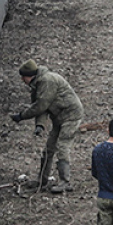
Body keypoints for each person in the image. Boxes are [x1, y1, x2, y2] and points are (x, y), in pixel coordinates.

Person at [10, 59, 85, 193]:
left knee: (62, 146)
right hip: (59, 117)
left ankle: (65, 182)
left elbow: (40, 106)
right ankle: (42, 180)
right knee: (48, 149)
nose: (22, 80)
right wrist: (40, 125)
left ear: (30, 75)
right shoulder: (37, 84)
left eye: (23, 77)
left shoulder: (47, 81)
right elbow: (42, 107)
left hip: (71, 116)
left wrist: (22, 116)